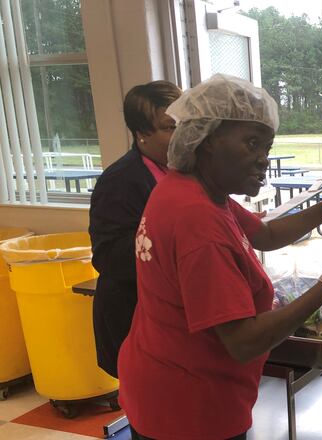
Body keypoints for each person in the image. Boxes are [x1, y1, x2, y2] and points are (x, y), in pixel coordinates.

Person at [118, 74, 322, 440]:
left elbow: (267, 234)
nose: (264, 159)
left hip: (163, 381)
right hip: (189, 408)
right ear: (207, 139)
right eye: (251, 143)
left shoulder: (196, 190)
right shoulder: (198, 222)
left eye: (267, 146)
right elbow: (243, 342)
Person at [89, 80, 181, 378]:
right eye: (169, 128)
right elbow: (108, 257)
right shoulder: (120, 181)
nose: (181, 136)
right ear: (141, 134)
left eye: (184, 125)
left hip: (168, 319)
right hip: (132, 318)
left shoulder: (180, 171)